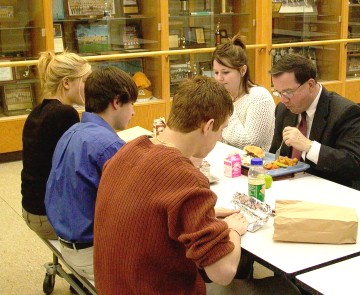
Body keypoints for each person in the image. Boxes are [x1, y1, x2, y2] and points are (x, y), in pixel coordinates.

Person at [93, 76, 249, 294]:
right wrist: (232, 229)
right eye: (221, 130)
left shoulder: (128, 151)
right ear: (209, 126)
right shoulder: (185, 177)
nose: (219, 137)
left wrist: (203, 214)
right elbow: (223, 272)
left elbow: (151, 211)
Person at [45, 66, 138, 280]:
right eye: (131, 103)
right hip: (91, 253)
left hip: (67, 242)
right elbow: (133, 206)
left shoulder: (72, 132)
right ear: (116, 102)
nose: (133, 111)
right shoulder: (109, 146)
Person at [269, 54, 360, 193]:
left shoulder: (346, 112)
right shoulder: (283, 110)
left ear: (310, 85)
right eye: (278, 93)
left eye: (288, 92)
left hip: (335, 192)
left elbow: (356, 164)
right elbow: (276, 154)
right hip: (292, 188)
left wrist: (309, 147)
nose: (283, 100)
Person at [21, 51, 91, 240]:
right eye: (85, 81)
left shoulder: (38, 111)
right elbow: (77, 167)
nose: (89, 87)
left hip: (31, 208)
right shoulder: (64, 114)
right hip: (47, 215)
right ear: (67, 83)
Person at [212, 34, 275, 151]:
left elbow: (250, 143)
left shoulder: (259, 97)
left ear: (242, 70)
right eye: (216, 73)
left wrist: (227, 106)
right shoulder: (219, 97)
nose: (219, 78)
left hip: (254, 166)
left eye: (225, 72)